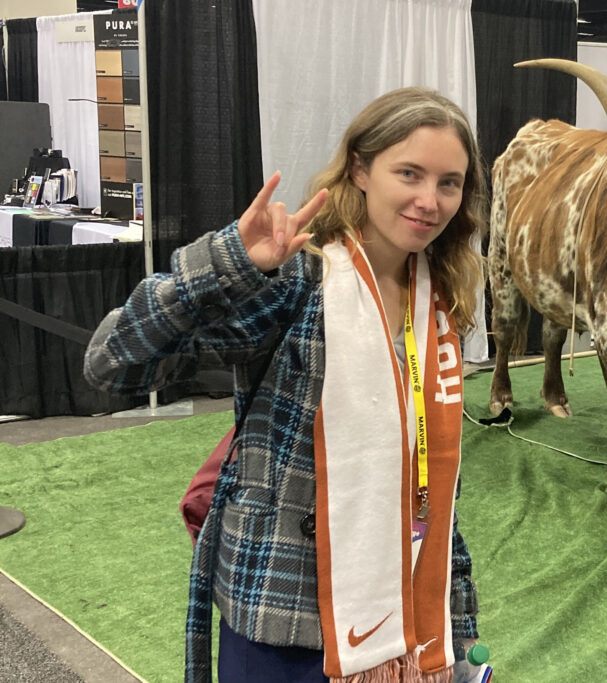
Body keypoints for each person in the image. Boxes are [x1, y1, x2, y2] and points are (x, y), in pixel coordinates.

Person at [84, 87, 486, 682]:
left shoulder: (439, 301)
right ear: (360, 169)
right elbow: (113, 363)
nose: (430, 200)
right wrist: (229, 265)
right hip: (285, 612)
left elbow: (429, 480)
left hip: (407, 613)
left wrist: (459, 614)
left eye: (449, 182)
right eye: (410, 173)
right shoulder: (300, 280)